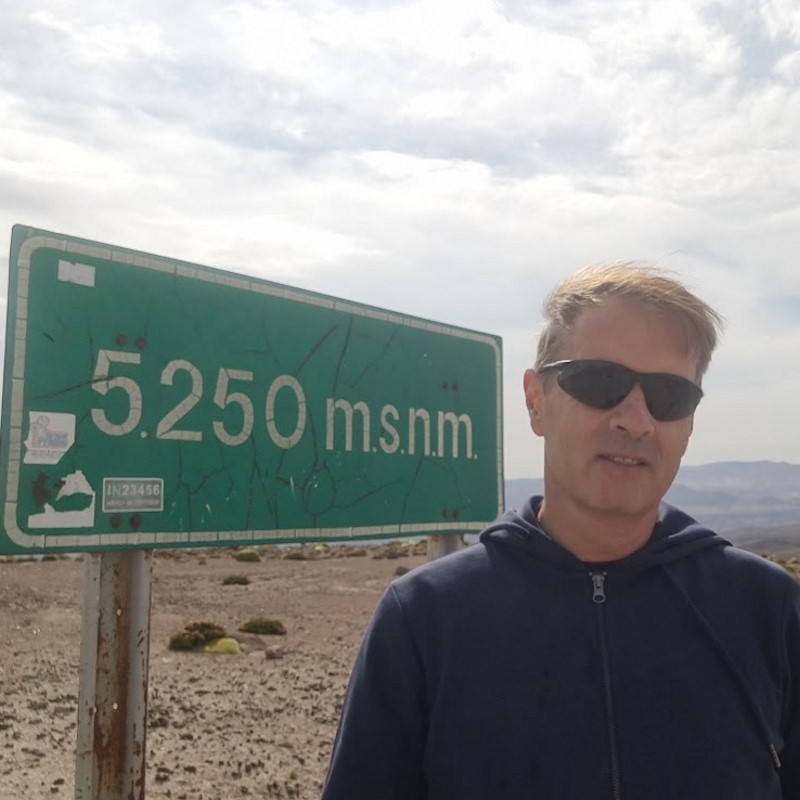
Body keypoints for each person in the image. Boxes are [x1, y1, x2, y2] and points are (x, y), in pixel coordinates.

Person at [320, 263, 800, 800]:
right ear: (535, 401)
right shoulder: (424, 619)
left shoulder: (768, 611)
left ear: (688, 421)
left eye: (670, 396)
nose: (636, 419)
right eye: (600, 382)